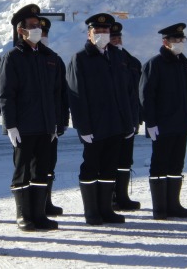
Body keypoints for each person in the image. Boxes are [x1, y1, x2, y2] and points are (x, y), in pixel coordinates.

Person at [66, 13, 136, 225]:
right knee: (91, 166)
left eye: (106, 31)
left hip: (116, 123)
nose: (103, 34)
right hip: (94, 125)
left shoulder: (116, 56)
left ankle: (106, 209)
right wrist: (82, 126)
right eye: (98, 31)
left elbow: (125, 92)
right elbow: (76, 95)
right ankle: (92, 211)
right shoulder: (81, 58)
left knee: (109, 166)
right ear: (89, 34)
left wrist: (129, 121)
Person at [0, 4, 62, 231]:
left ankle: (39, 214)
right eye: (32, 26)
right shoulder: (13, 57)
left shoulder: (49, 57)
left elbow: (56, 93)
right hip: (24, 127)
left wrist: (55, 122)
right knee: (23, 171)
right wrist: (11, 125)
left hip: (45, 126)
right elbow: (7, 94)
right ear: (21, 31)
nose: (37, 29)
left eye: (38, 26)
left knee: (41, 170)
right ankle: (23, 216)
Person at [139, 23, 187, 220]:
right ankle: (160, 207)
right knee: (160, 164)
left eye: (181, 39)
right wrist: (150, 122)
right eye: (175, 40)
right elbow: (147, 96)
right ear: (165, 42)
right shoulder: (155, 64)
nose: (179, 43)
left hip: (181, 124)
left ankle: (174, 204)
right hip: (162, 124)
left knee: (176, 165)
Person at [109, 21, 142, 211]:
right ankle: (109, 196)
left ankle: (122, 195)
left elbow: (137, 92)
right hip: (111, 120)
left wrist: (138, 117)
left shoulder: (132, 62)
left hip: (129, 119)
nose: (116, 41)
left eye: (118, 38)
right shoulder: (105, 62)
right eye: (112, 38)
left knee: (125, 159)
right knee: (110, 159)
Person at [39, 16, 69, 216]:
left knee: (49, 164)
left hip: (51, 122)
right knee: (30, 169)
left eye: (45, 34)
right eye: (38, 32)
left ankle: (46, 201)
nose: (42, 36)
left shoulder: (54, 60)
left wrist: (62, 121)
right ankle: (31, 208)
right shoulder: (16, 57)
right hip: (29, 125)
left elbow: (62, 94)